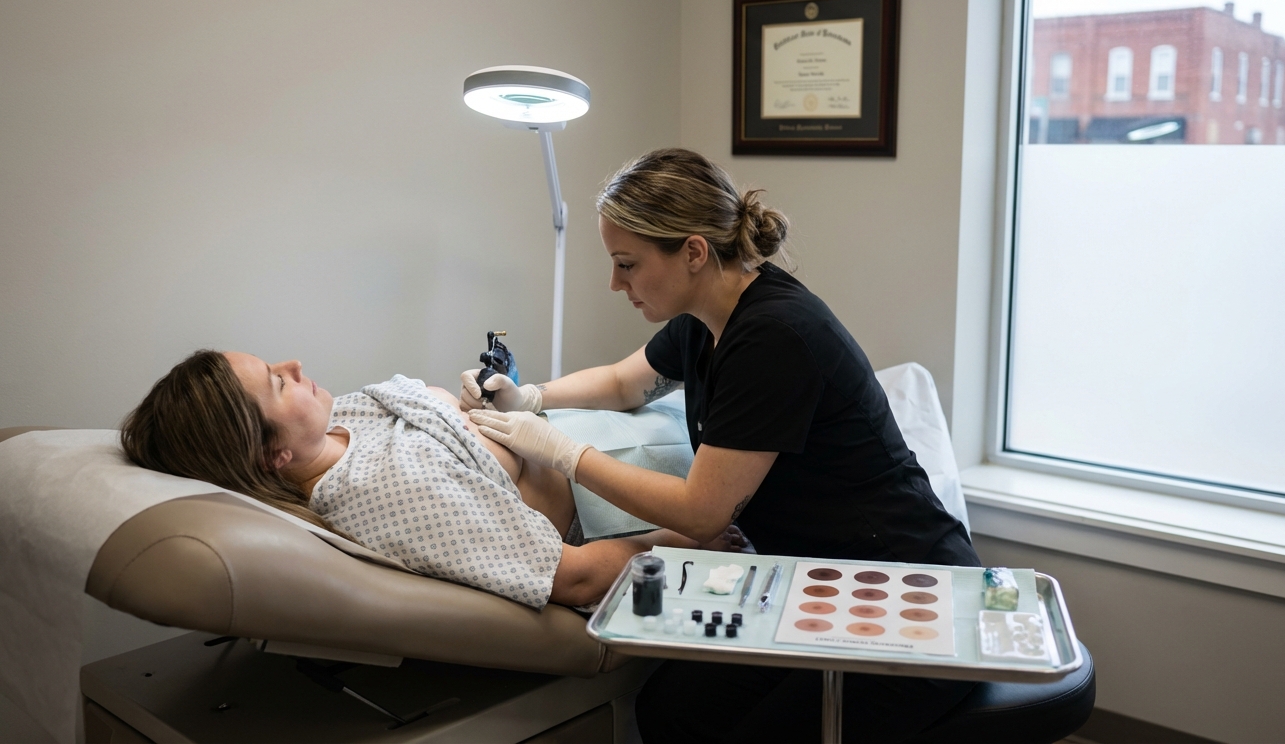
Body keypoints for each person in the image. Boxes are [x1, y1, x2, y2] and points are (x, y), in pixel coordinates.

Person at [464, 147, 982, 743]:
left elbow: (702, 511)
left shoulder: (773, 336)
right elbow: (623, 383)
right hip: (814, 578)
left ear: (692, 252)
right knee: (672, 712)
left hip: (903, 591)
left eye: (627, 263)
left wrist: (562, 452)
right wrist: (529, 397)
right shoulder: (707, 317)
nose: (615, 283)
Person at [120, 349, 741, 610]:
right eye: (277, 383)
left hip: (605, 430)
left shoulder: (346, 418)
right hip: (635, 497)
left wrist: (504, 404)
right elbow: (573, 578)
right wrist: (703, 537)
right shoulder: (382, 493)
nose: (294, 364)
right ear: (271, 456)